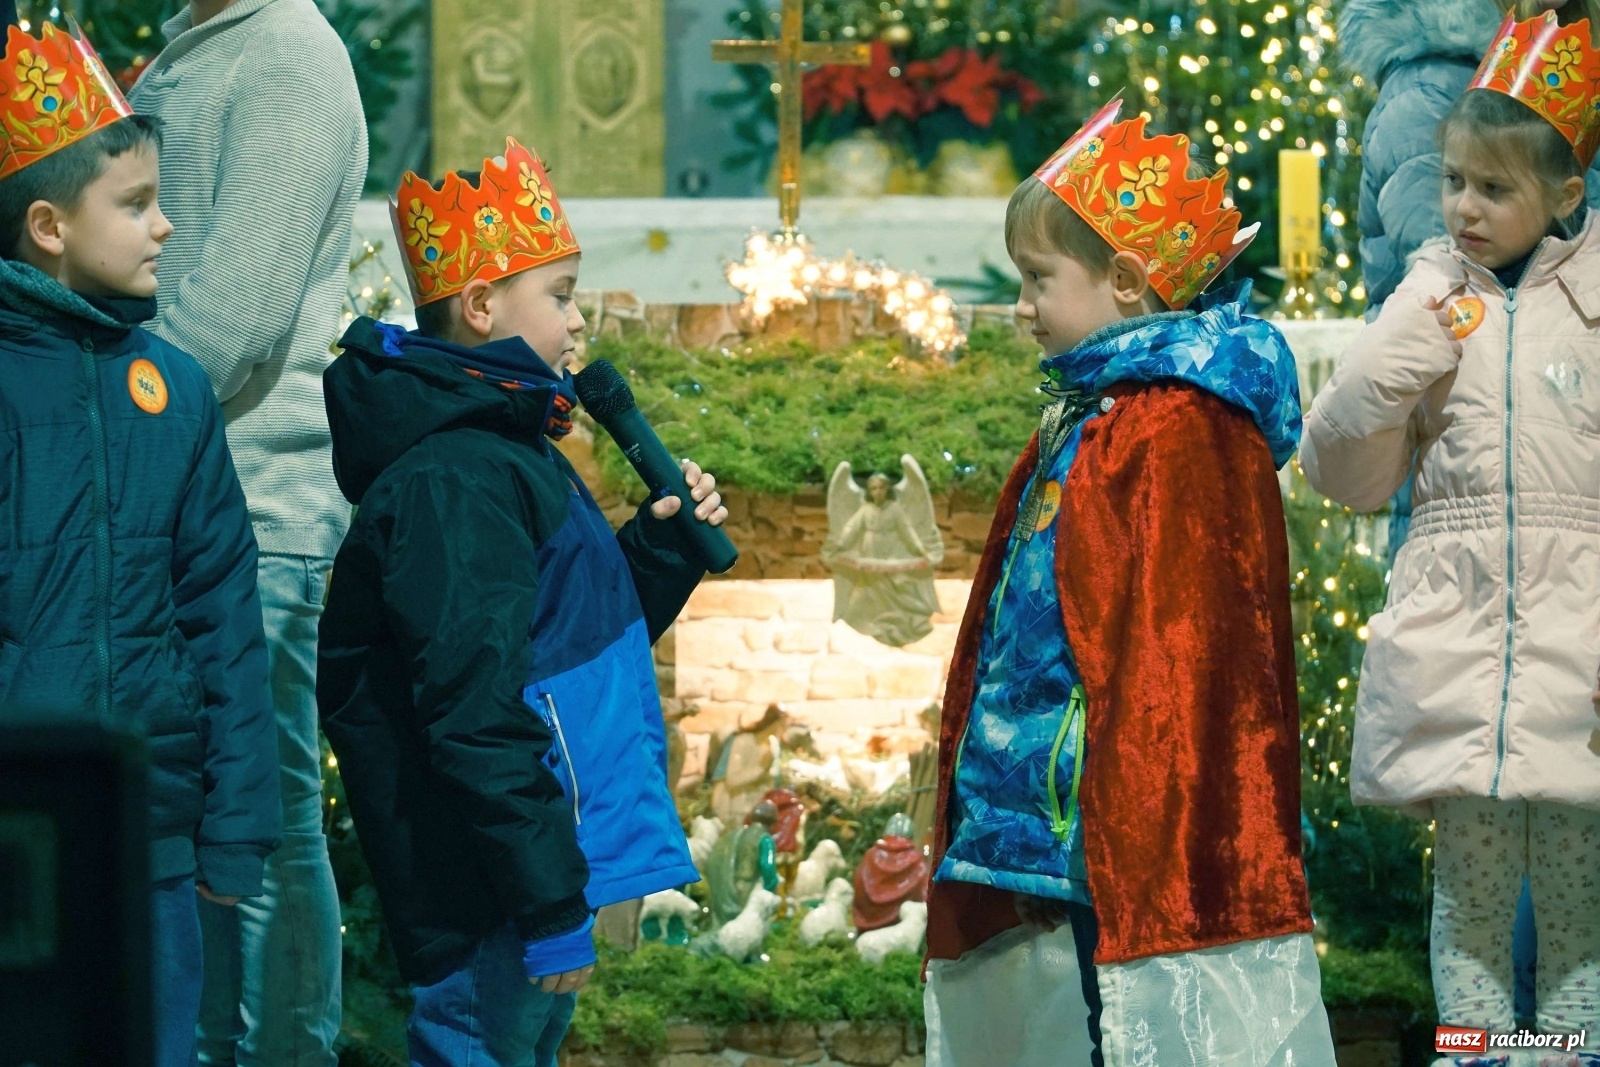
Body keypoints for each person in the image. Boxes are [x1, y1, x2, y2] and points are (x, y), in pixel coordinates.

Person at [923, 100, 1336, 1067]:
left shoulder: (1181, 424)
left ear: (1123, 279)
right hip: (1060, 802)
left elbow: (1184, 650)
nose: (1021, 305)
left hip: (1129, 815)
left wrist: (1132, 796)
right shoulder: (1097, 410)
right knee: (1084, 1019)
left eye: (1038, 279)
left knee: (1133, 1026)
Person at [317, 139, 718, 1066]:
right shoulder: (454, 478)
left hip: (528, 869)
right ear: (482, 305)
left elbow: (557, 643)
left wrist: (660, 551)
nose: (579, 321)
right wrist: (543, 900)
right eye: (562, 295)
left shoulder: (504, 444)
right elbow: (474, 708)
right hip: (488, 892)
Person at [1302, 10, 1600, 1062]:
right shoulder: (1428, 298)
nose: (1465, 208)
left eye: (1494, 188)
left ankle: (1565, 1054)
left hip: (1578, 655)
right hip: (1461, 647)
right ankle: (1473, 1052)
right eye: (1454, 182)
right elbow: (1340, 467)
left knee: (1575, 906)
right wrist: (1405, 333)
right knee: (1466, 898)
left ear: (1565, 196)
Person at [0, 22, 279, 1067]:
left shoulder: (176, 392)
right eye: (134, 203)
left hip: (149, 836)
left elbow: (220, 613)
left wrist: (235, 817)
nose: (164, 225)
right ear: (47, 225)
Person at [126, 1, 367, 1062]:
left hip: (251, 501)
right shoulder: (203, 46)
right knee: (200, 824)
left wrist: (110, 411)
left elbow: (237, 311)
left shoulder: (288, 54)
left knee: (260, 826)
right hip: (178, 490)